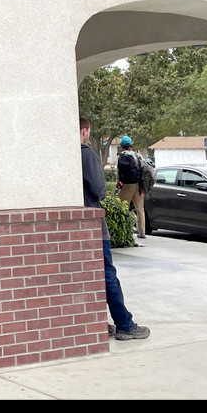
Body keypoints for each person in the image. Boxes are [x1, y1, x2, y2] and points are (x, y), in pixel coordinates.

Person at [80, 117, 150, 341]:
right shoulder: (86, 154)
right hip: (94, 225)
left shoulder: (62, 155)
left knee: (87, 276)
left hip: (75, 227)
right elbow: (100, 190)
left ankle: (97, 322)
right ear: (84, 131)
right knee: (108, 274)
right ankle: (124, 323)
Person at [116, 136, 147, 240]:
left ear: (122, 146)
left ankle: (124, 231)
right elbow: (143, 170)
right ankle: (142, 232)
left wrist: (118, 184)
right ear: (131, 145)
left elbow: (119, 173)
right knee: (140, 209)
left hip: (127, 185)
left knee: (123, 208)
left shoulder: (121, 156)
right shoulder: (138, 156)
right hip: (138, 185)